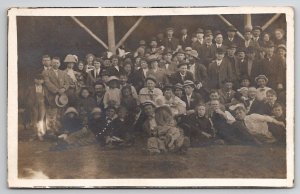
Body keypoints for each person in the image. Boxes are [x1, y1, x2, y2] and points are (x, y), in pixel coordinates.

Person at [44, 57, 70, 133]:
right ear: (51, 63)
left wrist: (64, 89)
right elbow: (47, 83)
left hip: (61, 97)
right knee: (51, 114)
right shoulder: (46, 72)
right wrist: (57, 90)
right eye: (54, 62)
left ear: (60, 64)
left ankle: (60, 130)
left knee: (61, 114)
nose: (56, 64)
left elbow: (67, 83)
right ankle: (50, 132)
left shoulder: (63, 73)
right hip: (51, 97)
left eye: (57, 63)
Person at [25, 74, 47, 141]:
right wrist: (30, 104)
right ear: (34, 80)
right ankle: (33, 135)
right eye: (37, 79)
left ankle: (40, 134)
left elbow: (46, 97)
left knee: (41, 120)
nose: (39, 81)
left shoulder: (44, 88)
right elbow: (26, 97)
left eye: (41, 80)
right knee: (34, 120)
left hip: (42, 105)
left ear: (43, 81)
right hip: (34, 105)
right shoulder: (30, 88)